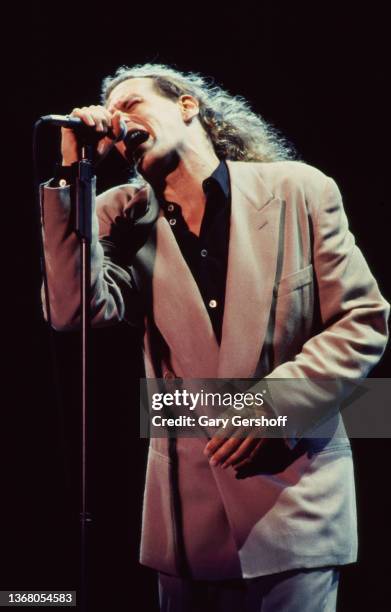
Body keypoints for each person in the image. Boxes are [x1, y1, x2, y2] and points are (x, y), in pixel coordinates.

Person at [40, 64, 389, 611]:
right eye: (111, 116)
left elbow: (361, 318)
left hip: (294, 500)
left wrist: (274, 407)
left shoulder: (299, 189)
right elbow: (72, 311)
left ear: (187, 106)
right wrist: (72, 175)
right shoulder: (123, 217)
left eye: (131, 104)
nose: (117, 120)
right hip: (185, 519)